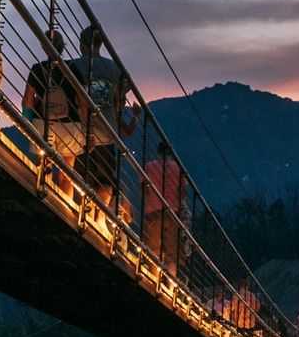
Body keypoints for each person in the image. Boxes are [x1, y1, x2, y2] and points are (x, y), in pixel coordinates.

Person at [67, 25, 139, 220]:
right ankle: (96, 218)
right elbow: (121, 96)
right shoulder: (114, 69)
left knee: (81, 178)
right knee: (106, 182)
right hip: (106, 133)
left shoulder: (71, 67)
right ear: (100, 44)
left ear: (81, 43)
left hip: (80, 133)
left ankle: (83, 213)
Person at [23, 31, 82, 191]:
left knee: (43, 167)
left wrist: (27, 121)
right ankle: (63, 212)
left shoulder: (37, 68)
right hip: (70, 125)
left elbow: (28, 101)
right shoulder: (73, 69)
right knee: (67, 176)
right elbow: (82, 102)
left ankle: (43, 198)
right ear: (63, 46)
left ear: (44, 46)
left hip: (43, 122)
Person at [141, 140, 191, 276]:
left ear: (157, 152)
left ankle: (154, 277)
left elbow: (144, 191)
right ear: (171, 153)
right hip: (172, 212)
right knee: (171, 253)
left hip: (153, 210)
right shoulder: (178, 168)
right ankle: (170, 286)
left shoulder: (149, 166)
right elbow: (182, 194)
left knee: (153, 247)